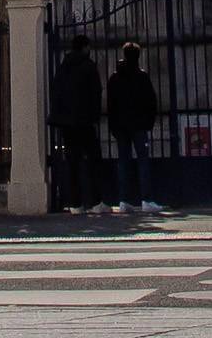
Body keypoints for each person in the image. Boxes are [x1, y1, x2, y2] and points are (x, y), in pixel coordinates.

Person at [104, 40, 163, 212]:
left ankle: (124, 200)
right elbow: (151, 101)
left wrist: (113, 125)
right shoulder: (141, 76)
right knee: (142, 161)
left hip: (121, 126)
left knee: (123, 162)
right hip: (138, 125)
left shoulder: (115, 77)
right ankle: (146, 199)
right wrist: (149, 122)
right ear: (138, 56)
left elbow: (111, 104)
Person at [50, 37, 105, 216]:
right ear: (85, 47)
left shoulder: (63, 67)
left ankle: (75, 203)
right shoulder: (88, 66)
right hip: (85, 121)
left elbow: (56, 92)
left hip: (67, 123)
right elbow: (96, 92)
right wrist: (94, 116)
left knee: (72, 162)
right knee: (93, 161)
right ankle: (96, 201)